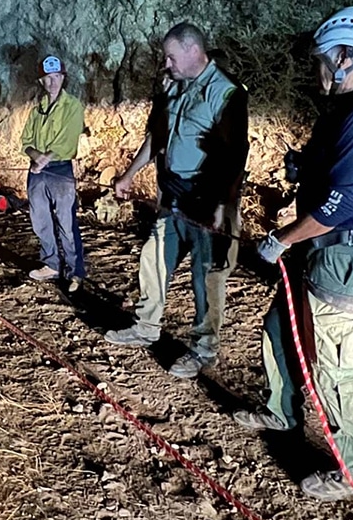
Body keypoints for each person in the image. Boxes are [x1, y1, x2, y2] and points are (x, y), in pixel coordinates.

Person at [237, 6, 353, 502]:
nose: (315, 70)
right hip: (325, 250)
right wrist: (306, 166)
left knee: (341, 363)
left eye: (320, 59)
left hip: (345, 253)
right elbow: (341, 174)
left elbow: (343, 204)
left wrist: (282, 239)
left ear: (342, 56)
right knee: (281, 326)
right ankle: (282, 408)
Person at [104, 23, 250, 379]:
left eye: (170, 56)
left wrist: (220, 205)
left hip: (206, 199)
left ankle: (203, 350)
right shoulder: (175, 89)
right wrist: (129, 174)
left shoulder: (226, 93)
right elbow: (158, 137)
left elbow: (236, 155)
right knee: (152, 259)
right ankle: (146, 326)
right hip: (171, 196)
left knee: (206, 277)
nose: (165, 64)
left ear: (192, 50)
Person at [21, 56, 86, 292]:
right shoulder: (37, 109)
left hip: (60, 170)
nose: (52, 83)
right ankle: (51, 264)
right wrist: (35, 156)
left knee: (67, 222)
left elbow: (67, 140)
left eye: (56, 77)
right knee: (40, 221)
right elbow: (25, 140)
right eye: (47, 79)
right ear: (41, 81)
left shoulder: (73, 106)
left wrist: (44, 158)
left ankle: (75, 271)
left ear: (63, 78)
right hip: (37, 171)